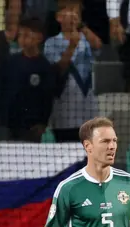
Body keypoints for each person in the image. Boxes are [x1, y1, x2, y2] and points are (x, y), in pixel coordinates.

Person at [43, 0, 102, 142]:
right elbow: (59, 69)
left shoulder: (86, 39)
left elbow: (98, 45)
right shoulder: (51, 43)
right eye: (69, 10)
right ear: (59, 17)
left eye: (76, 12)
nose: (73, 15)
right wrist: (72, 46)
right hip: (65, 111)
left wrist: (82, 28)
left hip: (88, 109)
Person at [0, 16, 55, 142]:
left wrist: (43, 122)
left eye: (27, 34)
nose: (22, 38)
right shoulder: (11, 61)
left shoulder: (44, 66)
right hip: (8, 122)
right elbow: (3, 89)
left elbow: (47, 97)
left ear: (39, 37)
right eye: (20, 34)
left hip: (31, 126)